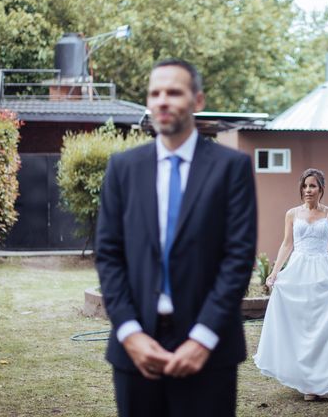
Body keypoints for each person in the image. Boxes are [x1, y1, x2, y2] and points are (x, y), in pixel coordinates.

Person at [95, 59, 257, 417]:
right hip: (136, 351)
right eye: (155, 93)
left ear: (197, 101)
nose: (162, 101)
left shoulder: (232, 168)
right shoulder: (123, 168)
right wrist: (129, 332)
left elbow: (238, 258)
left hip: (209, 351)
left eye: (174, 92)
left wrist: (202, 338)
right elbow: (108, 255)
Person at [253, 168, 328, 401]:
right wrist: (275, 272)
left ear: (321, 189)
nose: (308, 190)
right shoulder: (292, 214)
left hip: (323, 270)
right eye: (305, 186)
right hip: (298, 271)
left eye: (313, 186)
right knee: (302, 325)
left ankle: (324, 381)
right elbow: (286, 244)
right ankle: (306, 383)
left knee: (323, 325)